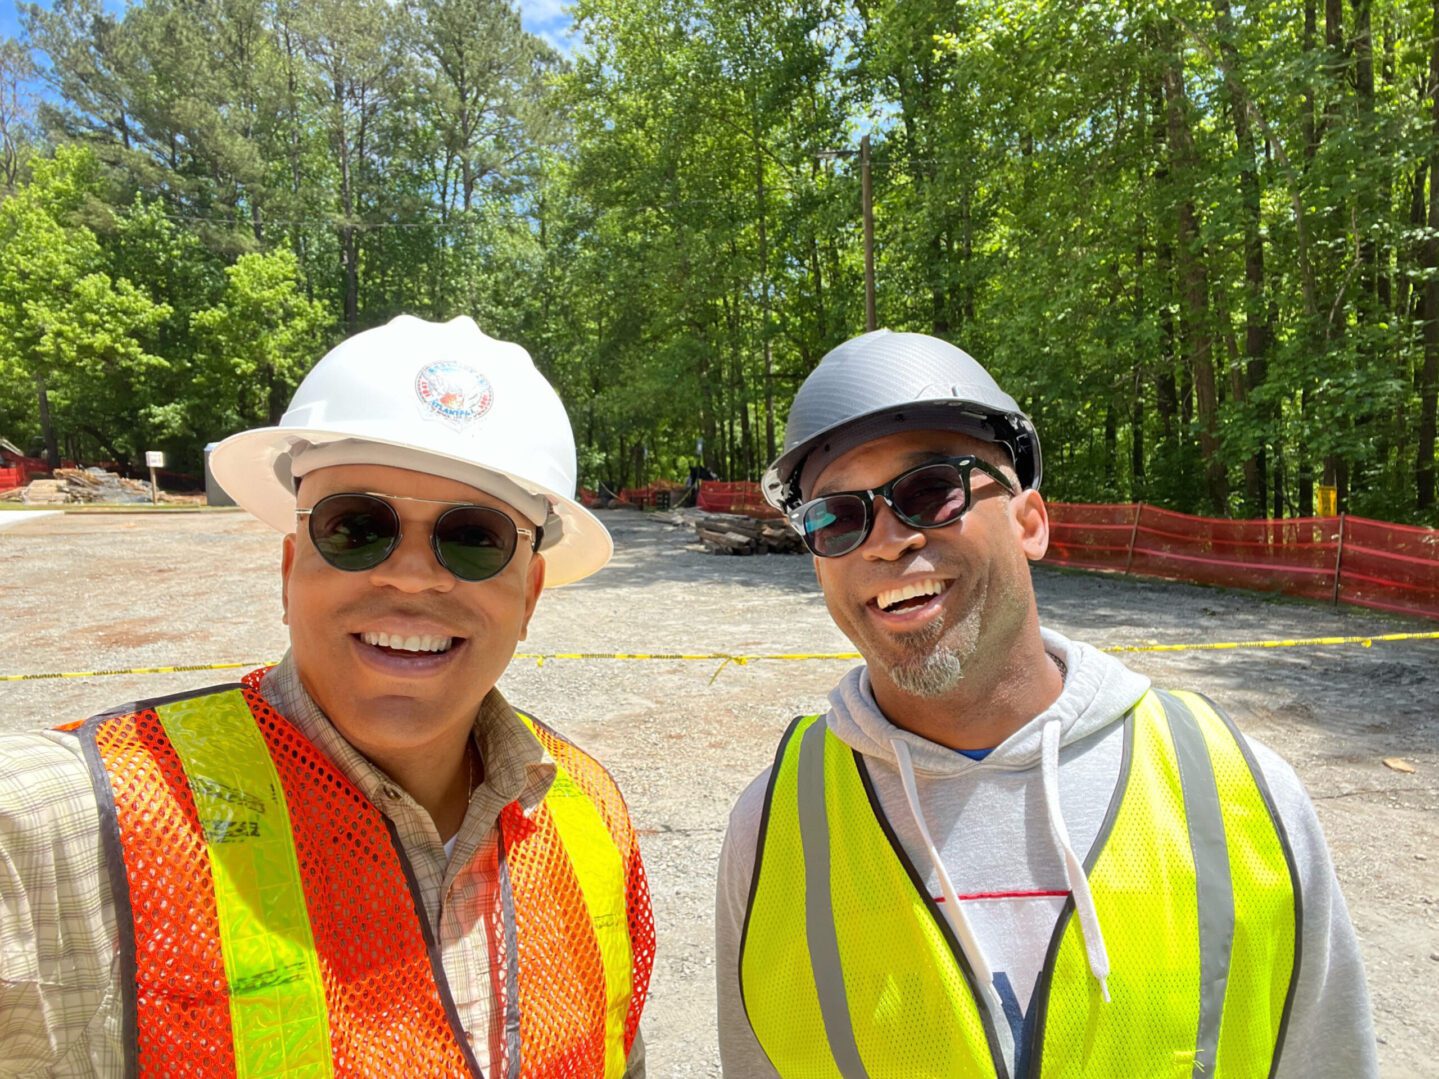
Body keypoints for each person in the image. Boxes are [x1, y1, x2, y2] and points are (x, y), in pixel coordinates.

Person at [0, 315, 654, 1076]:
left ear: (530, 590)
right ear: (289, 568)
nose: (410, 576)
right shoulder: (73, 822)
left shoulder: (590, 813)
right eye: (356, 527)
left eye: (474, 537)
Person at [716, 330, 1375, 1077]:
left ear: (1029, 522)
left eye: (931, 489)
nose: (887, 540)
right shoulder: (774, 832)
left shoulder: (1240, 799)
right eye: (836, 516)